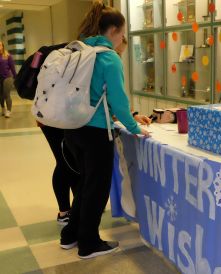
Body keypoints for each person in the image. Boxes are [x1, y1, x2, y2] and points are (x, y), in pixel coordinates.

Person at [60, 2, 149, 259]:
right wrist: (134, 127)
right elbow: (119, 102)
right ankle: (88, 244)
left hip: (72, 128)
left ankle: (70, 236)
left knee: (85, 184)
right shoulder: (108, 57)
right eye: (122, 33)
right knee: (96, 190)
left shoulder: (79, 50)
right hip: (96, 132)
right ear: (112, 30)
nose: (123, 39)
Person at [0, 41, 16, 118]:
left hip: (7, 78)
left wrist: (16, 77)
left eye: (0, 45)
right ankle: (3, 108)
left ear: (3, 46)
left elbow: (13, 68)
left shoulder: (8, 56)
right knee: (0, 96)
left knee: (7, 94)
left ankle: (8, 111)